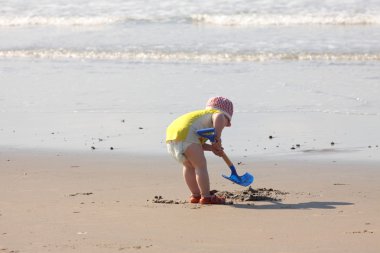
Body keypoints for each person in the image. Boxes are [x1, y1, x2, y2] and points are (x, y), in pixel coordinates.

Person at [166, 96, 233, 204]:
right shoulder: (217, 114)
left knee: (189, 166)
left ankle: (195, 195)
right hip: (187, 136)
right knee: (200, 166)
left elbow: (195, 145)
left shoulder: (200, 120)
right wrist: (217, 139)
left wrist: (212, 148)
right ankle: (206, 196)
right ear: (227, 118)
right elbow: (219, 117)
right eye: (226, 122)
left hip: (172, 138)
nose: (224, 125)